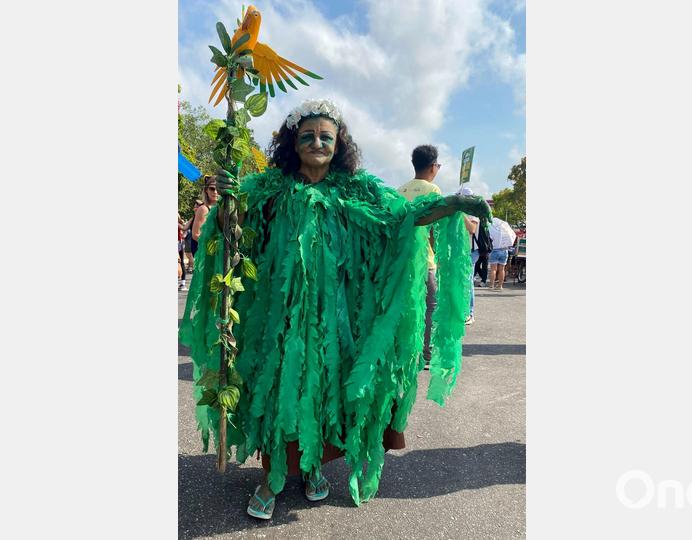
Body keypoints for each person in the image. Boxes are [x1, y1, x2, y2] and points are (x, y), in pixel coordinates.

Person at [179, 99, 491, 520]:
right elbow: (232, 225)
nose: (317, 142)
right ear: (293, 141)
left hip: (337, 321)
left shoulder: (357, 189)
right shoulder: (269, 188)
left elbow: (405, 216)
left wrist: (453, 204)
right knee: (276, 390)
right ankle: (271, 477)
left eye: (326, 136)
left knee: (326, 390)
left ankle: (310, 470)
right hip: (280, 319)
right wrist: (227, 202)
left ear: (339, 142)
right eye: (307, 136)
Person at [397, 145, 443, 366]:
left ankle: (402, 351)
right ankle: (425, 353)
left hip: (402, 260)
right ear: (433, 166)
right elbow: (434, 228)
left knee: (405, 305)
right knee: (430, 306)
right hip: (424, 260)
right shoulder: (432, 190)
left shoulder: (400, 190)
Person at [183, 175, 218, 273]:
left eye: (218, 188)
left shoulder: (222, 208)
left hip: (219, 255)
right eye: (212, 188)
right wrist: (216, 245)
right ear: (206, 190)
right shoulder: (204, 209)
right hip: (206, 254)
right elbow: (196, 235)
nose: (215, 192)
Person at [457, 186, 479, 324]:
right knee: (459, 281)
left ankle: (469, 313)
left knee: (467, 281)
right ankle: (460, 310)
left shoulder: (473, 212)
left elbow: (472, 229)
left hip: (471, 251)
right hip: (460, 250)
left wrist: (460, 213)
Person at [487, 216, 516, 290]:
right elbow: (513, 236)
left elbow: (489, 238)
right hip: (504, 250)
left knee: (493, 269)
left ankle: (491, 285)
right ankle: (500, 286)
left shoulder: (492, 227)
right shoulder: (505, 227)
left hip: (495, 250)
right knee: (502, 269)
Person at [178, 213, 188, 292]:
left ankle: (183, 283)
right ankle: (183, 283)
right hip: (179, 243)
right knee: (181, 263)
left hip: (178, 243)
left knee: (180, 263)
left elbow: (185, 231)